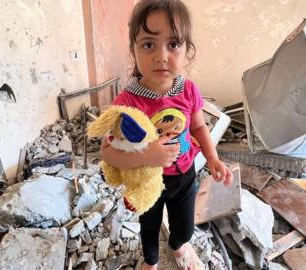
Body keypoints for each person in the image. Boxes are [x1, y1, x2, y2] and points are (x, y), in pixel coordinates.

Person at [100, 0, 233, 269]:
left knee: (184, 228)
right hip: (147, 181)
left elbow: (198, 127)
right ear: (133, 50)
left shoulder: (189, 90)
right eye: (149, 44)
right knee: (148, 231)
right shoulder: (126, 103)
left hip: (184, 175)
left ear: (187, 51)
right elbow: (107, 152)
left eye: (173, 44)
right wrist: (146, 155)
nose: (161, 56)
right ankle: (150, 262)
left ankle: (179, 246)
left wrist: (214, 158)